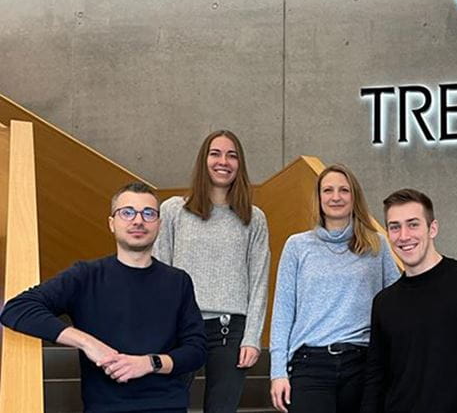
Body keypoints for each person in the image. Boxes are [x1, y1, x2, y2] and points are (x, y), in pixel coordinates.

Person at [0, 182, 206, 412]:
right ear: (112, 223)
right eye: (127, 212)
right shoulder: (85, 275)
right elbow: (17, 309)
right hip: (105, 407)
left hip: (167, 406)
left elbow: (196, 350)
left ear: (158, 224)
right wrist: (89, 344)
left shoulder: (178, 281)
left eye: (148, 213)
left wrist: (149, 363)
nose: (138, 220)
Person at [361, 188, 457, 413]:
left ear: (432, 228)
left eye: (413, 224)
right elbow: (375, 377)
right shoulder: (384, 302)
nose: (404, 236)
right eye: (395, 227)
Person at [269, 164, 401, 413]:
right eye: (328, 190)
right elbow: (283, 312)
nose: (336, 197)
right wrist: (277, 372)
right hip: (310, 365)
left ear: (355, 197)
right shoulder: (297, 246)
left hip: (362, 363)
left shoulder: (377, 244)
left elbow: (396, 306)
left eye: (344, 190)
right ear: (319, 198)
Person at [154, 130, 269, 412]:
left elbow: (259, 280)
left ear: (240, 165)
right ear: (203, 160)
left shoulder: (253, 217)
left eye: (232, 155)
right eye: (215, 153)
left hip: (230, 330)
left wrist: (253, 337)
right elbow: (158, 272)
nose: (223, 161)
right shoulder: (173, 211)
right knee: (165, 404)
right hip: (182, 325)